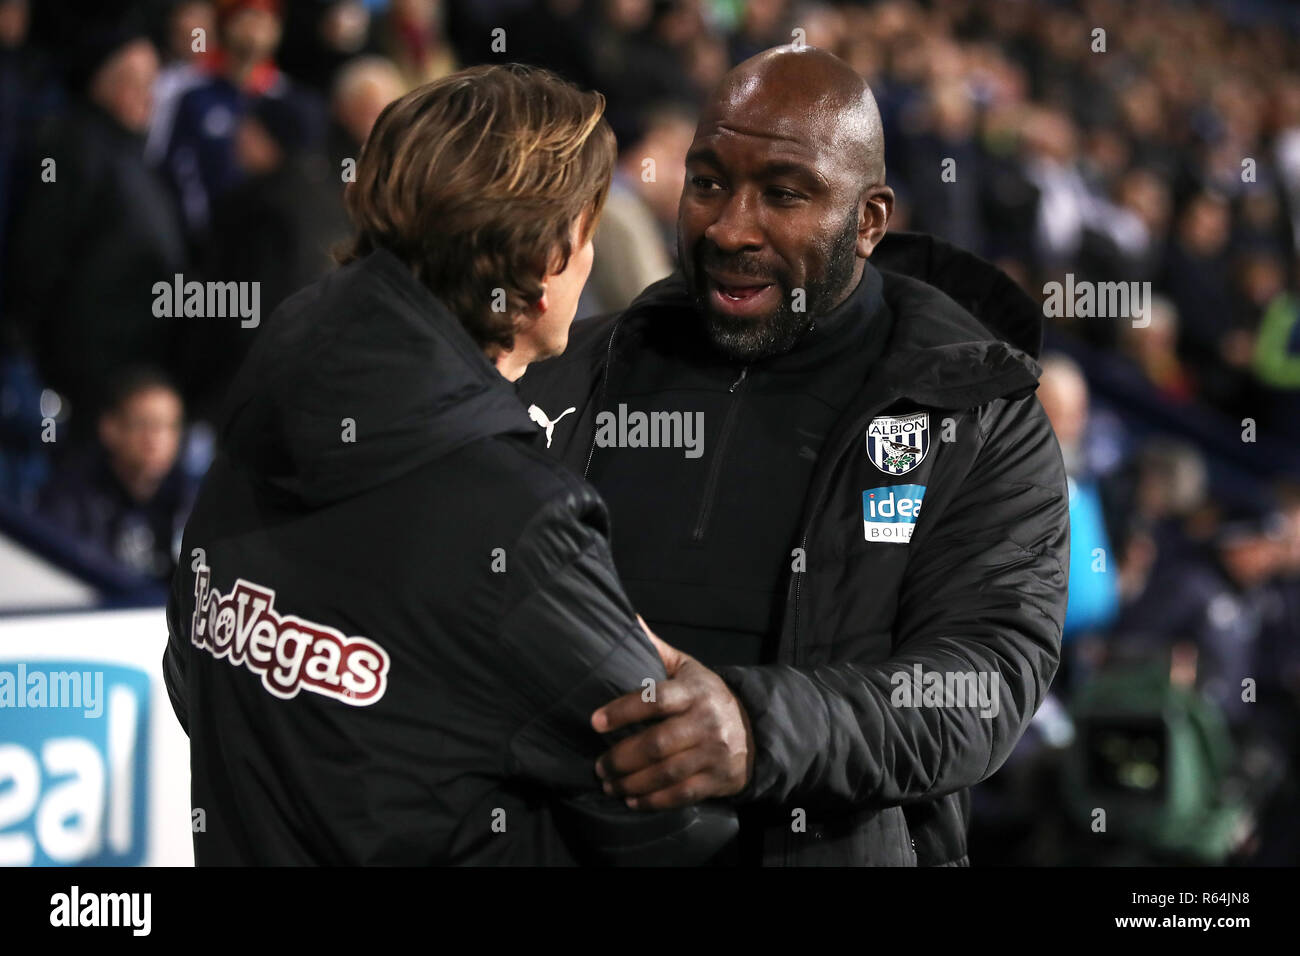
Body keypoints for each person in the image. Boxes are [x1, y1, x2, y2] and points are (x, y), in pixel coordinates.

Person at [162, 63, 736, 865]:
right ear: (545, 261)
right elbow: (677, 811)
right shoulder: (517, 516)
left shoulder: (264, 408)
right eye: (587, 231)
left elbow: (192, 682)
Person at [518, 46, 1070, 866]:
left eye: (785, 194)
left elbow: (981, 684)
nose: (732, 228)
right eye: (707, 182)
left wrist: (754, 728)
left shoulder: (977, 415)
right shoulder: (579, 365)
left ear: (870, 219)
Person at [38, 367, 194, 582]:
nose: (155, 440)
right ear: (110, 428)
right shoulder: (70, 497)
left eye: (168, 426)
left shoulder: (190, 499)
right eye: (144, 425)